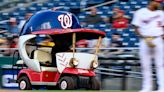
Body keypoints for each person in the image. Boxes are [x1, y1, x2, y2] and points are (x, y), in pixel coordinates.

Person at [132, 0, 164, 92]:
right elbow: (136, 27)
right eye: (157, 2)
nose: (159, 4)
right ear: (151, 2)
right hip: (144, 40)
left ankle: (162, 88)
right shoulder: (140, 12)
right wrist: (144, 38)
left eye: (160, 2)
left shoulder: (161, 13)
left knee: (160, 65)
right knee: (145, 65)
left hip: (158, 39)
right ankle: (146, 88)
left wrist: (162, 37)